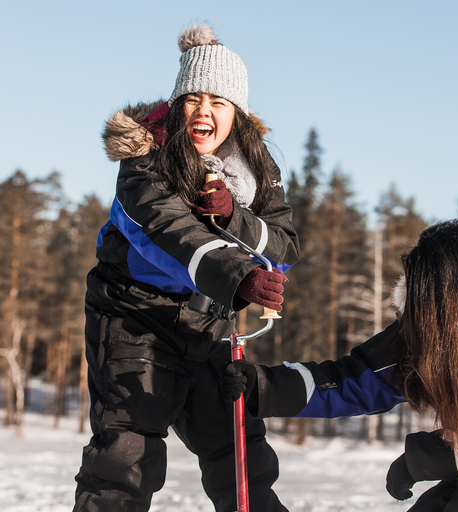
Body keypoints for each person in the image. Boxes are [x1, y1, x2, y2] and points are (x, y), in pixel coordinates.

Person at [222, 220, 458, 511]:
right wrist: (267, 387)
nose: (424, 316)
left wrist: (420, 458)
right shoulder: (437, 329)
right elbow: (355, 379)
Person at [74, 23, 299, 512]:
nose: (204, 111)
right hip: (134, 318)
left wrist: (232, 215)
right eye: (193, 99)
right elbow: (169, 233)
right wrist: (238, 274)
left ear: (236, 113)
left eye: (218, 102)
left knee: (240, 457)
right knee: (125, 459)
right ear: (177, 106)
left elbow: (283, 244)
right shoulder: (144, 160)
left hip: (209, 324)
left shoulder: (255, 169)